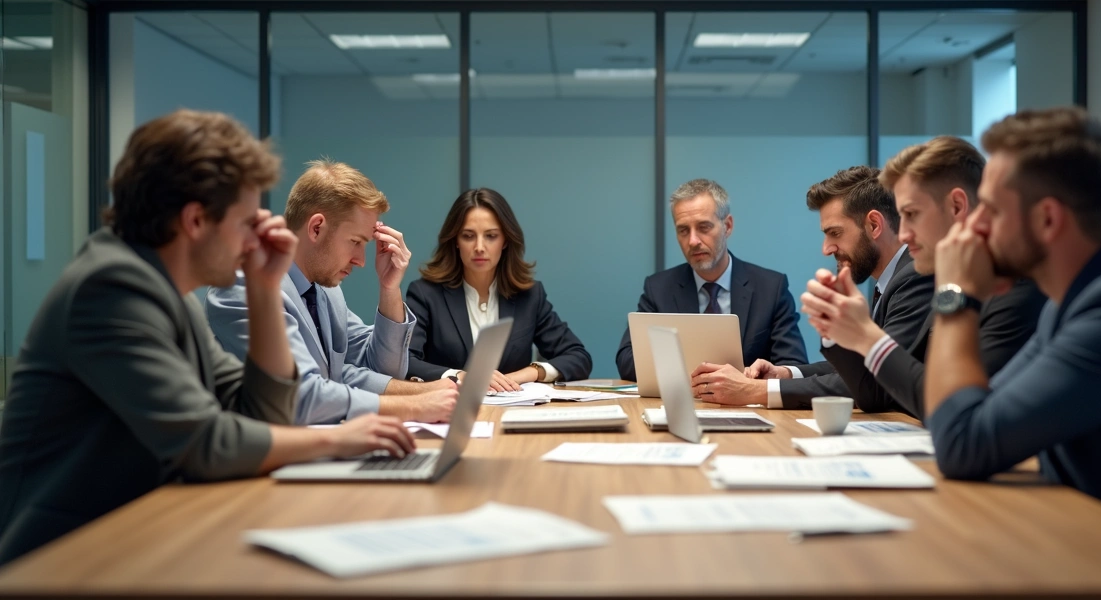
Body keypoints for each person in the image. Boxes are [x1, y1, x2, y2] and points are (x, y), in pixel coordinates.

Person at [0, 111, 414, 565]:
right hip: (59, 555)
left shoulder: (169, 294)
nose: (255, 237)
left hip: (133, 535)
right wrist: (337, 439)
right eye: (244, 222)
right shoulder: (111, 287)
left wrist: (262, 288)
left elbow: (259, 411)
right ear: (196, 220)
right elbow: (204, 441)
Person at [926, 107, 1101, 549]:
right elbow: (976, 410)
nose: (974, 226)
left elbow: (962, 442)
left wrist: (955, 296)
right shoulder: (1086, 296)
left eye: (990, 209)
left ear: (1047, 219)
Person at [799, 137, 1044, 419]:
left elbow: (951, 414)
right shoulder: (953, 280)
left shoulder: (1013, 291)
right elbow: (928, 390)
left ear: (956, 207)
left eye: (912, 214)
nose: (903, 235)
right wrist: (856, 333)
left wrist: (865, 335)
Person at [208, 159, 457, 424]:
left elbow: (379, 367)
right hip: (263, 460)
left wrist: (389, 288)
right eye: (355, 242)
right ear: (316, 228)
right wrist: (413, 406)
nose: (361, 260)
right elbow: (302, 394)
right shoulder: (245, 286)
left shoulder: (324, 290)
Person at [690, 166, 933, 409]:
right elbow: (863, 368)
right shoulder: (893, 279)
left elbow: (875, 384)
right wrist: (786, 374)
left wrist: (756, 390)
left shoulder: (914, 277)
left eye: (835, 233)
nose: (826, 249)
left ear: (874, 225)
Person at [616, 178, 807, 381]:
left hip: (747, 405)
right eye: (683, 230)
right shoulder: (659, 288)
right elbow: (627, 360)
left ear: (728, 226)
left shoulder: (770, 288)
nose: (693, 241)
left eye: (704, 227)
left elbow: (794, 365)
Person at [406, 188, 591, 391]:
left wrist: (524, 374)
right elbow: (406, 361)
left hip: (514, 412)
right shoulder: (425, 294)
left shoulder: (529, 296)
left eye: (491, 236)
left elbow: (578, 357)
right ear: (455, 242)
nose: (479, 246)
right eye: (468, 236)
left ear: (505, 241)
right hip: (449, 412)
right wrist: (459, 376)